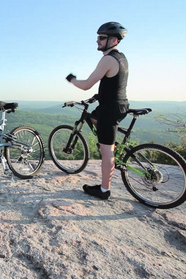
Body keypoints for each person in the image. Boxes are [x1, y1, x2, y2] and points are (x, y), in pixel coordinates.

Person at [66, 22, 129, 200]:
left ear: (114, 40)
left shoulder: (108, 59)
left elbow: (85, 85)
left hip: (110, 109)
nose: (98, 41)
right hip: (118, 104)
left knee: (106, 151)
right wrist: (99, 95)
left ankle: (103, 190)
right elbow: (114, 84)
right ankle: (107, 142)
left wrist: (71, 79)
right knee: (95, 118)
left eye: (102, 38)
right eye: (98, 37)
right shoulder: (121, 57)